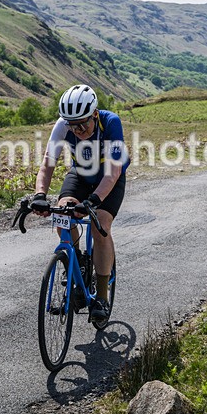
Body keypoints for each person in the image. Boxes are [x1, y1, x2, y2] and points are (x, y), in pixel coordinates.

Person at [30, 84, 128, 323]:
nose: (79, 130)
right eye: (74, 126)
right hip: (82, 174)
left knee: (100, 225)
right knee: (63, 216)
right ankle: (80, 263)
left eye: (84, 124)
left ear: (95, 114)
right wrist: (40, 195)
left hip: (108, 177)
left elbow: (113, 172)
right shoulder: (62, 125)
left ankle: (102, 296)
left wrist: (93, 201)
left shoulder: (111, 122)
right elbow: (48, 163)